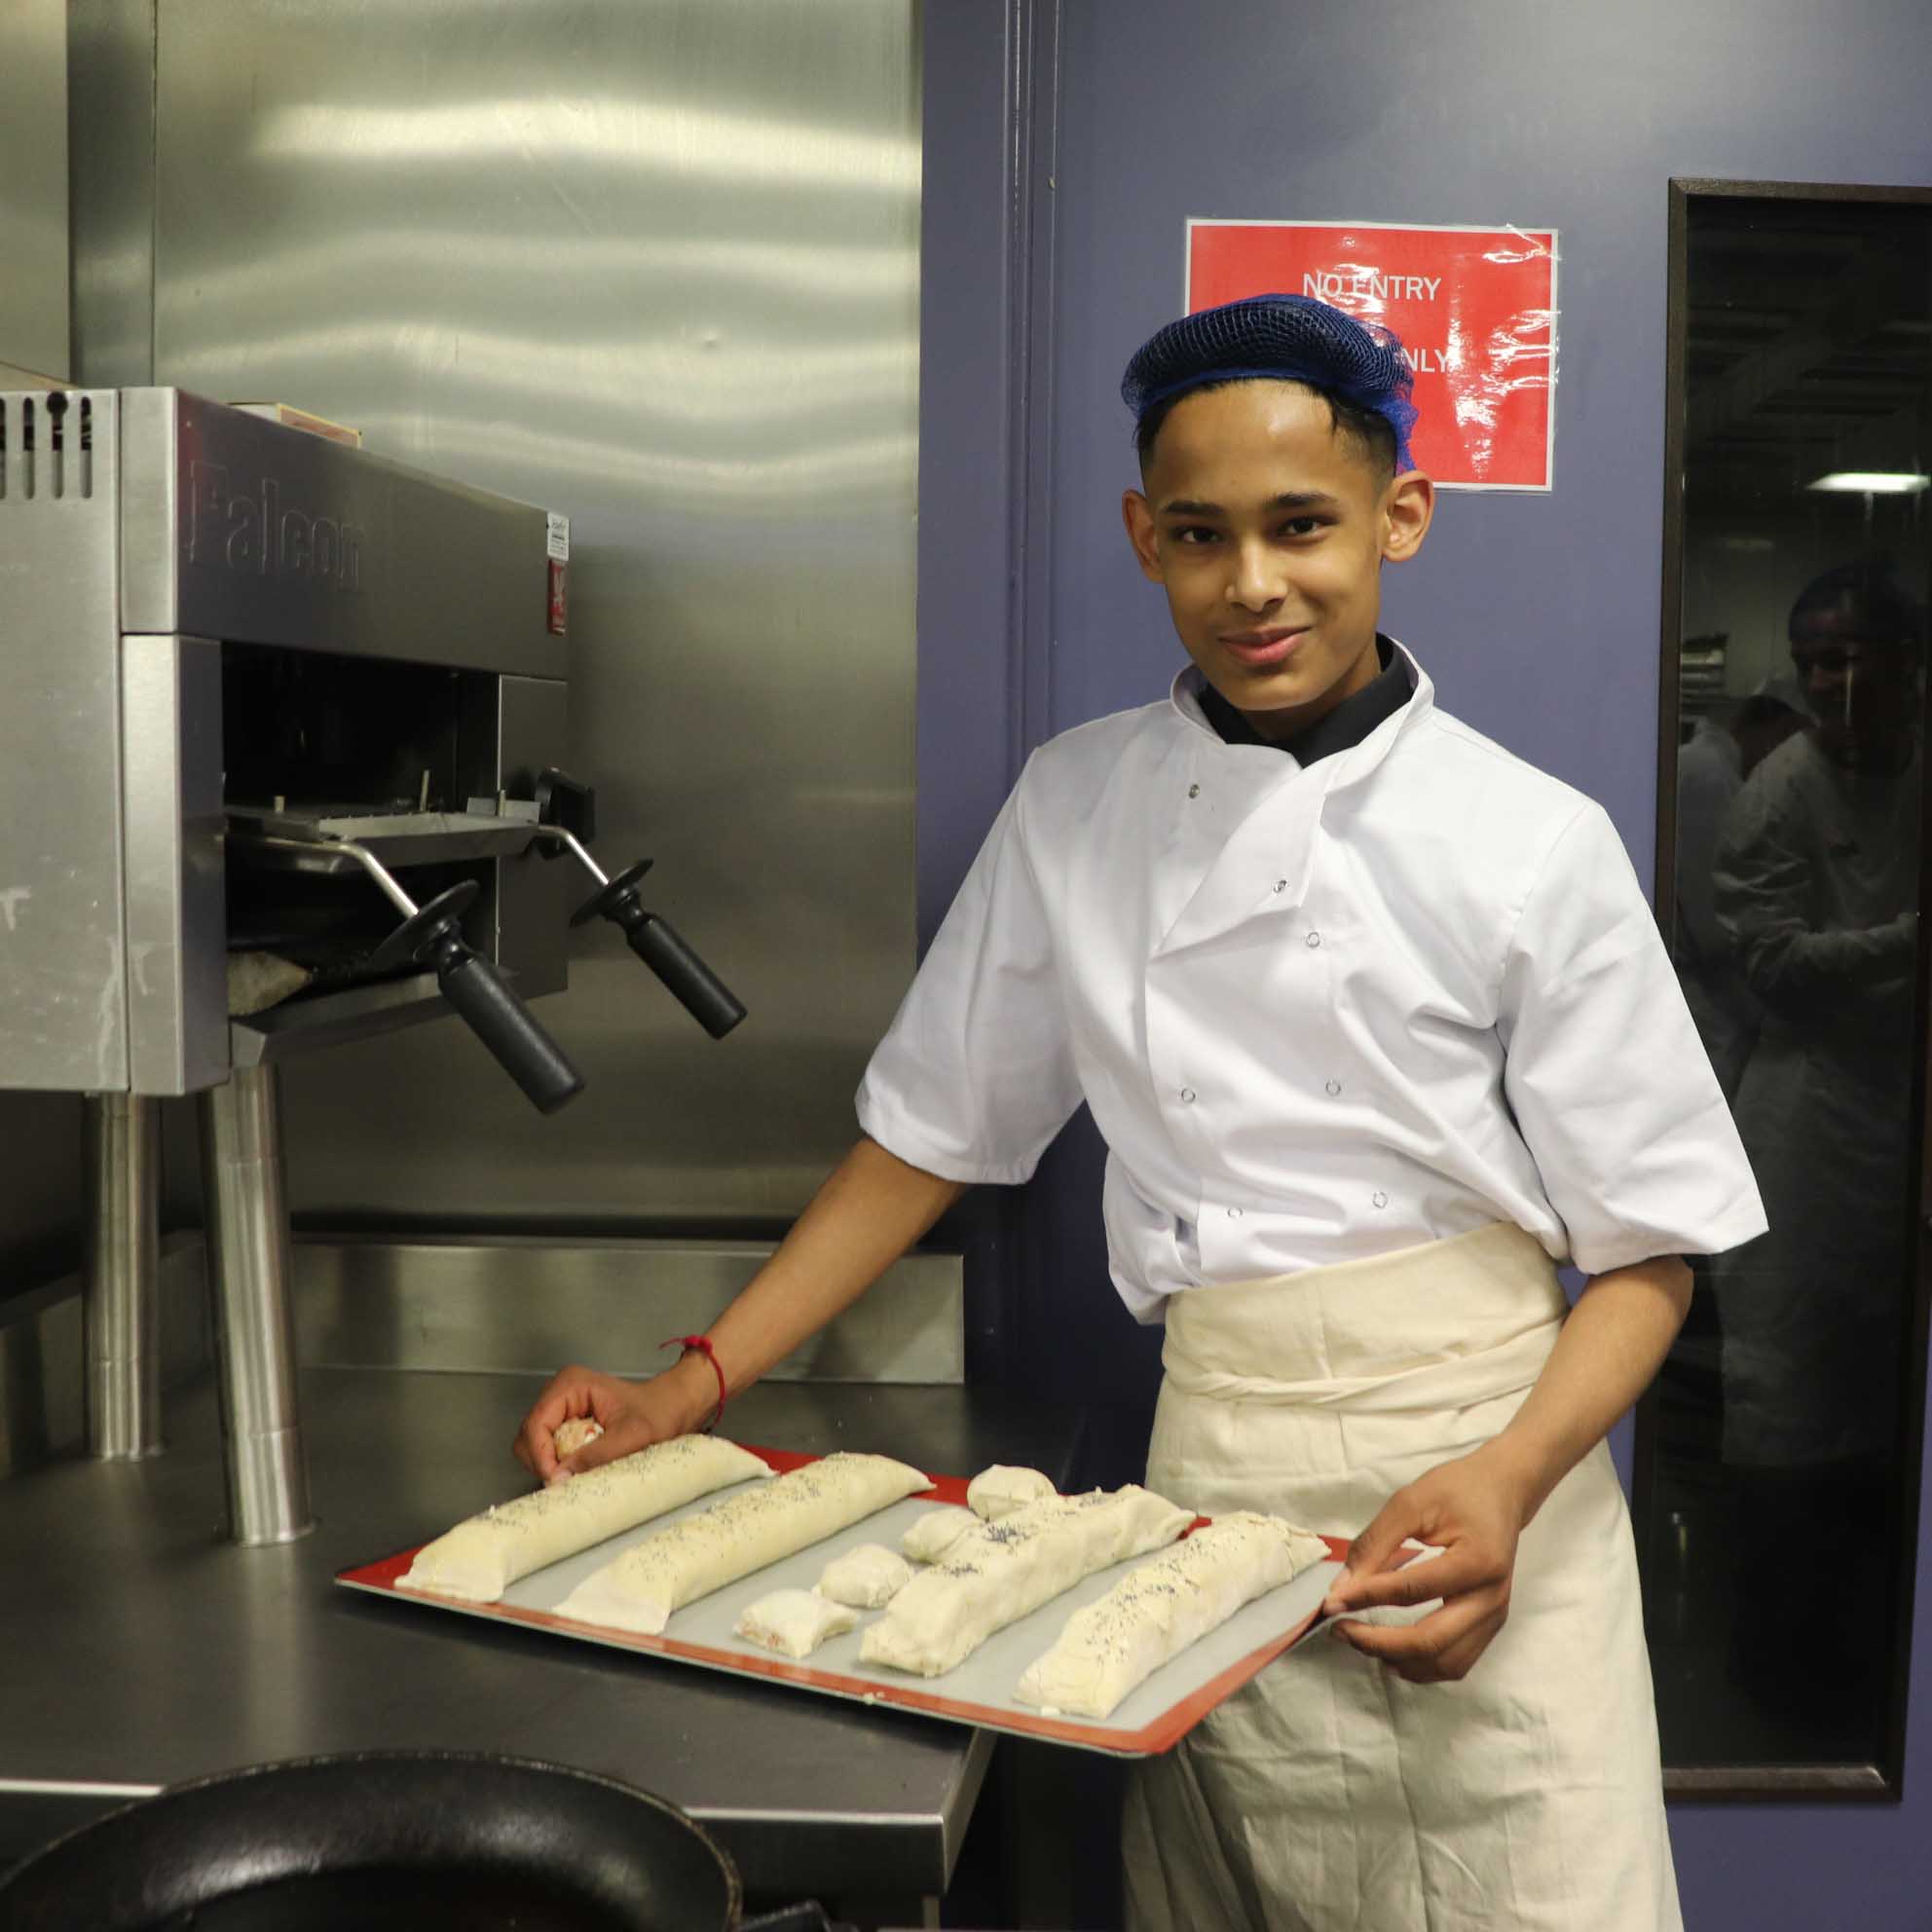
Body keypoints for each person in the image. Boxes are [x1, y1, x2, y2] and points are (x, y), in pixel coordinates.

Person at [514, 294, 1765, 1931]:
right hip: (1213, 1476)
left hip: (1476, 1464)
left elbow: (1649, 1251)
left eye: (1299, 525)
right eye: (1200, 535)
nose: (1251, 583)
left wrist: (1514, 1475)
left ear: (1397, 514)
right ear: (1140, 539)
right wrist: (693, 1378)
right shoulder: (1074, 803)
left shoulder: (1529, 839)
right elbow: (926, 1136)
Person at [1707, 565, 1921, 1725]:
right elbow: (1771, 966)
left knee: (1893, 1416)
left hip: (1901, 1123)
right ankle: (1777, 1695)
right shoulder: (1780, 788)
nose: (1836, 682)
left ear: (1907, 663)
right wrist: (1905, 941)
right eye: (1815, 661)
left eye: (1857, 656)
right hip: (1805, 1123)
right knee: (1792, 1411)